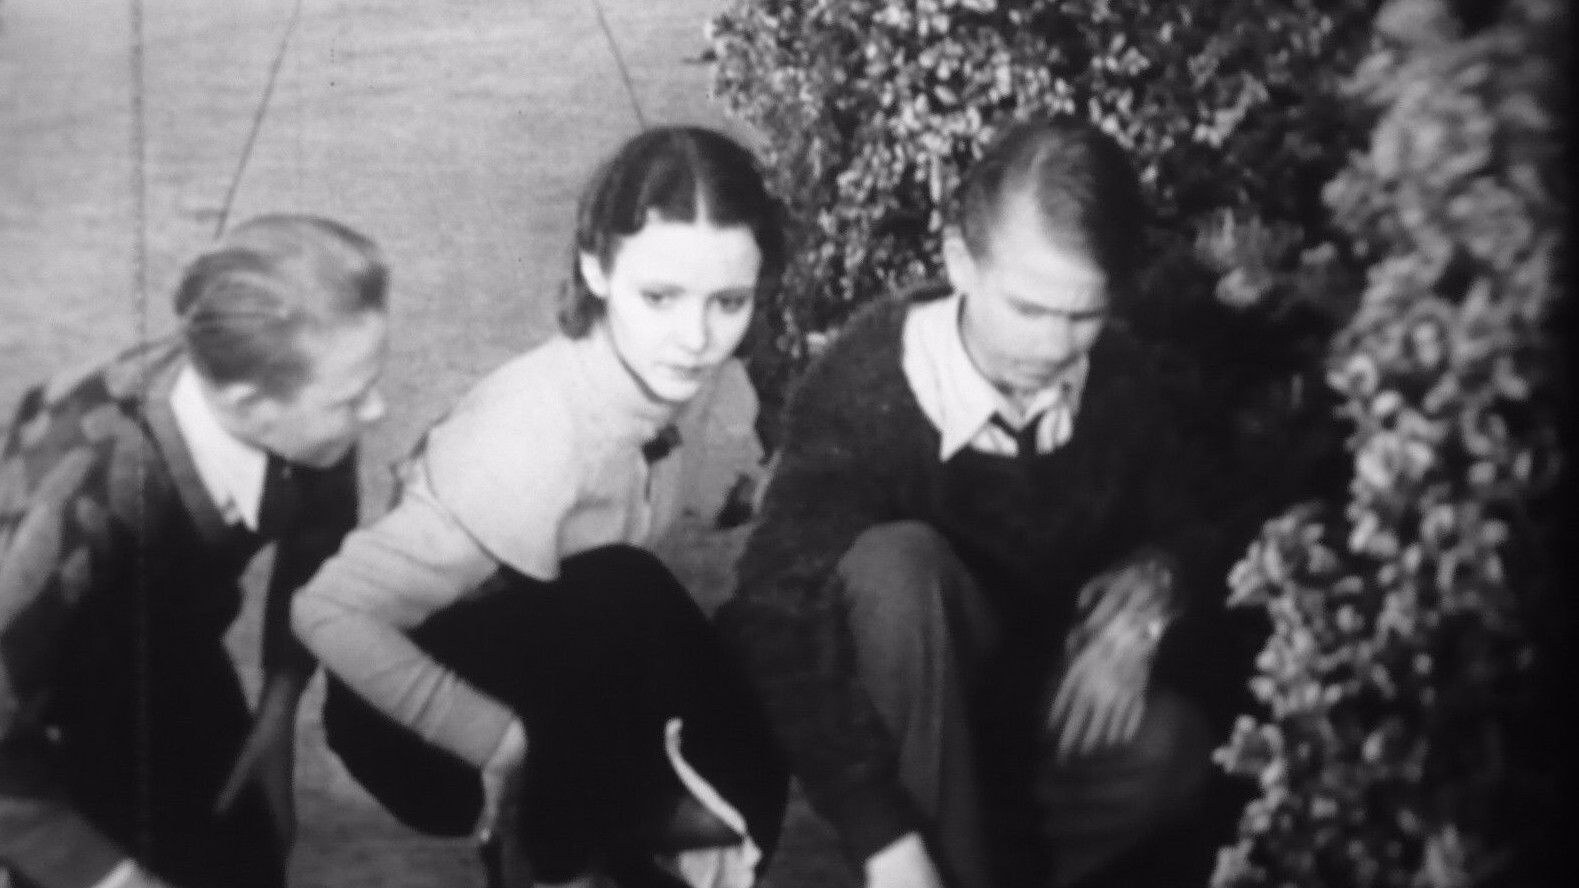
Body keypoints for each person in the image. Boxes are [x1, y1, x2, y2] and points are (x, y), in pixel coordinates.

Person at [717, 116, 1227, 888]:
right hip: (909, 719)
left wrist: (1155, 589)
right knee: (893, 568)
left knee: (1173, 749)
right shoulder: (867, 390)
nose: (1053, 347)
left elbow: (1197, 518)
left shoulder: (1119, 376)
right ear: (960, 261)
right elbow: (773, 608)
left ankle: (997, 866)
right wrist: (879, 831)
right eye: (1027, 309)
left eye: (1082, 315)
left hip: (1033, 714)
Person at [292, 126, 789, 888]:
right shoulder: (530, 435)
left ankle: (615, 837)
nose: (694, 338)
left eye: (728, 301)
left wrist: (767, 489)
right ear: (595, 267)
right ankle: (553, 846)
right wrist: (500, 743)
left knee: (744, 727)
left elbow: (698, 487)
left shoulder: (694, 379)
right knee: (630, 596)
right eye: (659, 297)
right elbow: (328, 613)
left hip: (557, 665)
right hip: (412, 726)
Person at [0, 215, 390, 888]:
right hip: (38, 696)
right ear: (248, 403)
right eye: (352, 398)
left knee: (247, 863)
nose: (375, 411)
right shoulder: (78, 498)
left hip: (166, 646)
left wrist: (277, 709)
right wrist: (114, 880)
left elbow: (318, 543)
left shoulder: (309, 412)